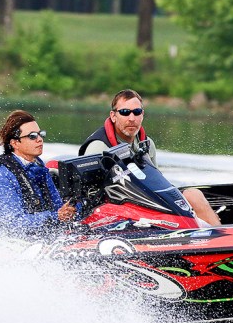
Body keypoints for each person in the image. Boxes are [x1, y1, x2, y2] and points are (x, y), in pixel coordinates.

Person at [79, 89, 221, 227]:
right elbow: (87, 196)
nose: (131, 118)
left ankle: (221, 235)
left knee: (194, 195)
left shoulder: (147, 144)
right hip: (115, 208)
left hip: (144, 202)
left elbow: (156, 182)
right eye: (125, 112)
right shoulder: (97, 147)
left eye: (137, 112)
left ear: (142, 114)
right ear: (113, 116)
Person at [0, 110, 77, 237]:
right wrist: (56, 216)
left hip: (37, 237)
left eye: (40, 134)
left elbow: (57, 206)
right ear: (15, 143)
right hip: (6, 240)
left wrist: (70, 210)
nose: (40, 139)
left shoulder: (39, 167)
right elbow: (15, 223)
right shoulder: (1, 179)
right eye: (32, 136)